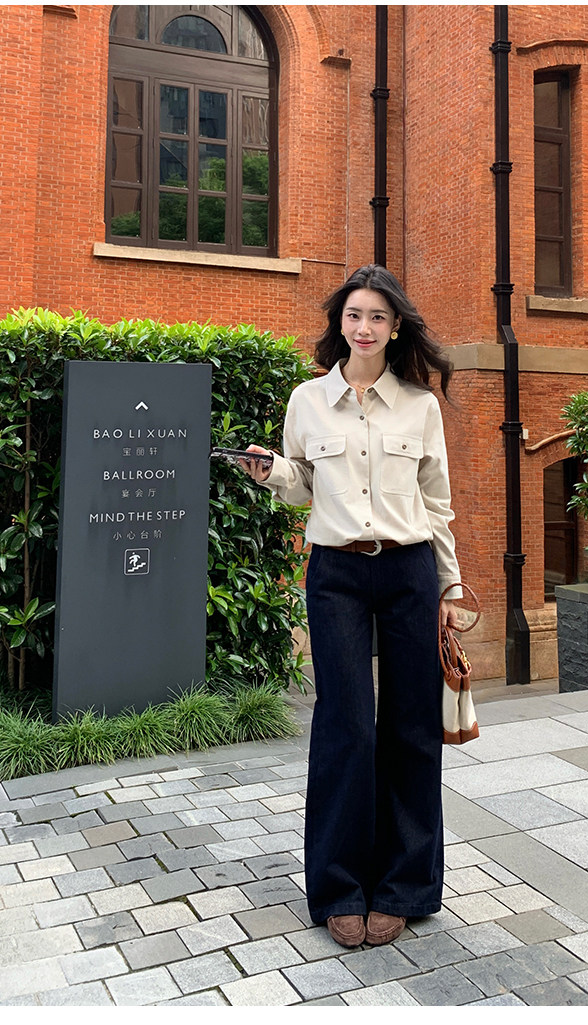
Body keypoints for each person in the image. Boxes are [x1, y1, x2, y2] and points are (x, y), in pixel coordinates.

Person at [240, 264, 461, 949]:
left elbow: (437, 504)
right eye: (354, 315)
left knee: (411, 725)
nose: (364, 327)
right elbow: (303, 481)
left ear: (396, 329)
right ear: (340, 323)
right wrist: (272, 471)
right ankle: (339, 887)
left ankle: (405, 886)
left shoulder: (420, 406)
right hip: (335, 571)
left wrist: (450, 589)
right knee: (346, 725)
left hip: (409, 569)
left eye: (378, 317)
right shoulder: (308, 400)